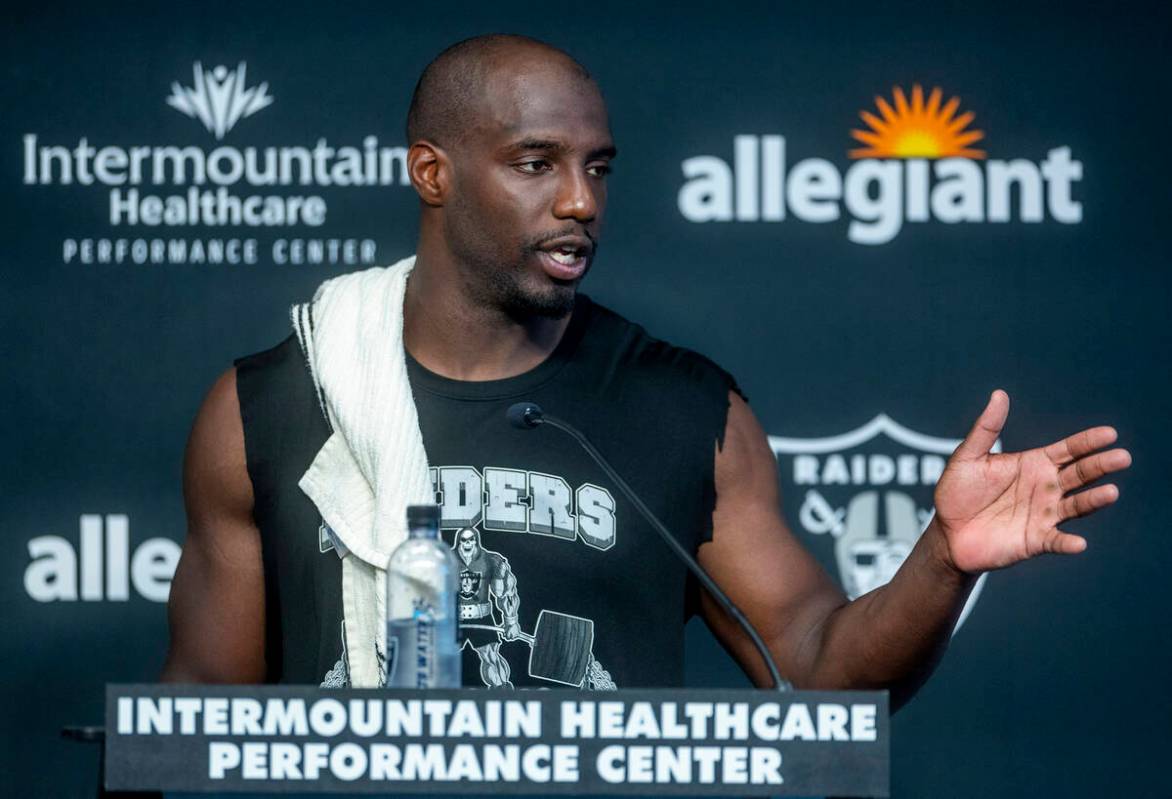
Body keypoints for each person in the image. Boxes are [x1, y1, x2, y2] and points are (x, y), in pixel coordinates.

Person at [161, 35, 1130, 705]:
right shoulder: (280, 406)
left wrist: (941, 558)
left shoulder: (681, 408)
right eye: (535, 163)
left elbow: (817, 668)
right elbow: (195, 716)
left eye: (598, 167)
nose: (580, 200)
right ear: (432, 173)